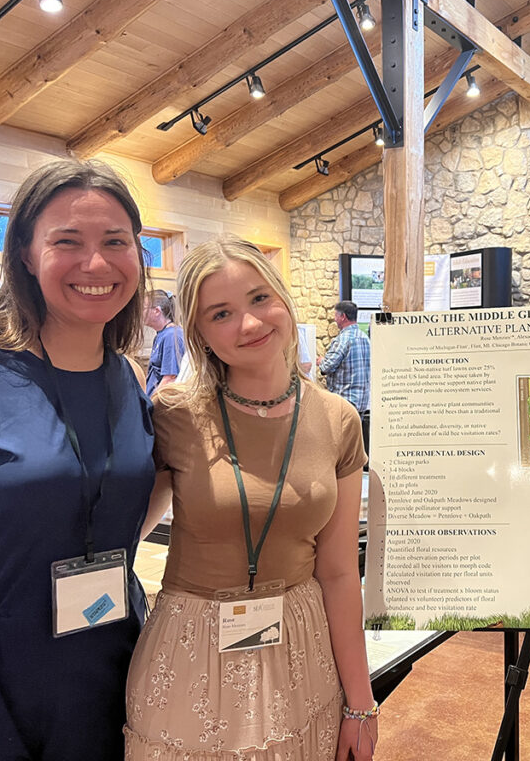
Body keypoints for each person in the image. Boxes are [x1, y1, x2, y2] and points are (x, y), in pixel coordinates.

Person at [0, 159, 155, 759]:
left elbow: (122, 510)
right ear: (25, 253)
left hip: (103, 663)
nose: (95, 264)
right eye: (67, 242)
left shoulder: (127, 377)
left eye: (115, 242)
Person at [126, 237, 376, 760]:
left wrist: (360, 701)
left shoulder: (338, 420)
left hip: (301, 645)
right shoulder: (173, 414)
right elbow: (125, 532)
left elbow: (337, 571)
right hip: (191, 645)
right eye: (222, 313)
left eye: (260, 299)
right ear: (198, 333)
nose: (250, 323)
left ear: (283, 299)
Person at [318, 300, 371, 458]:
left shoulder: (343, 340)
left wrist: (321, 361)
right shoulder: (364, 338)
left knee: (340, 448)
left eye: (336, 315)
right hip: (361, 402)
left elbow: (326, 367)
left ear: (343, 317)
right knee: (354, 447)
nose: (334, 318)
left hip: (344, 401)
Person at [144, 288, 185, 396]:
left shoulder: (171, 336)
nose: (139, 313)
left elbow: (170, 379)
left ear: (157, 311)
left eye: (143, 308)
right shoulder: (161, 335)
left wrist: (150, 405)